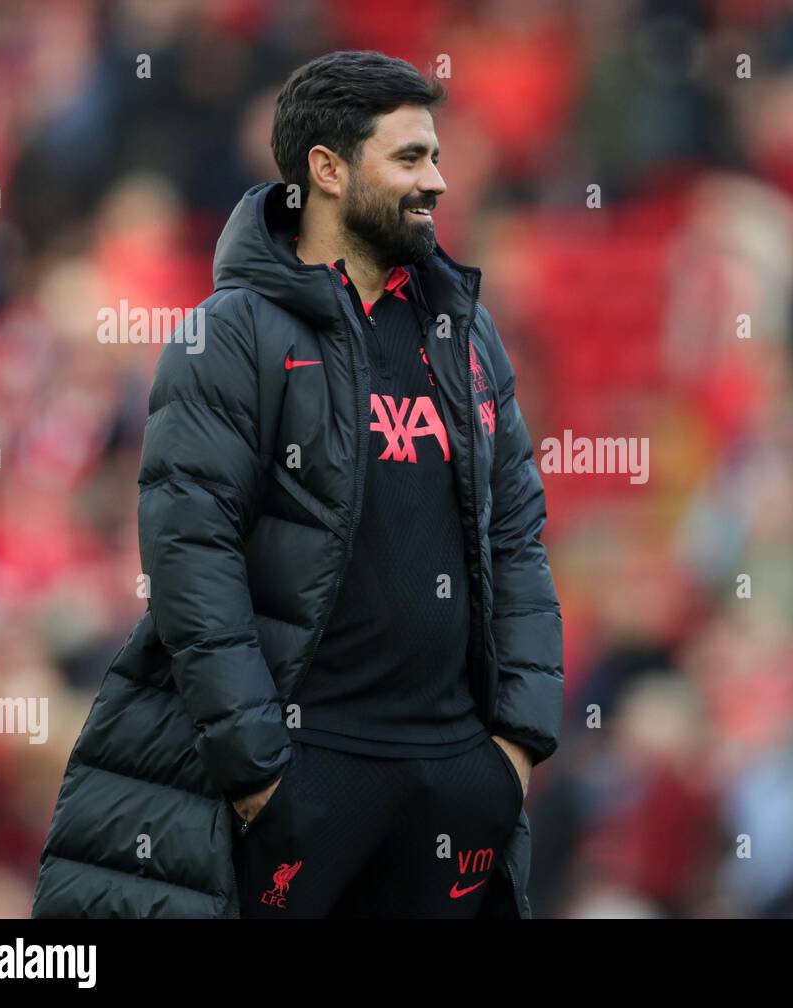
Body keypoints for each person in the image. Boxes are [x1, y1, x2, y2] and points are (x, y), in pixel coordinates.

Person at [31, 50, 563, 918]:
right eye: (411, 158)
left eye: (435, 156)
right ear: (327, 169)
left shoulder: (465, 334)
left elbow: (518, 539)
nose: (437, 180)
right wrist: (259, 776)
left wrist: (515, 747)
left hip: (453, 778)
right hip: (304, 781)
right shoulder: (230, 335)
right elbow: (189, 558)